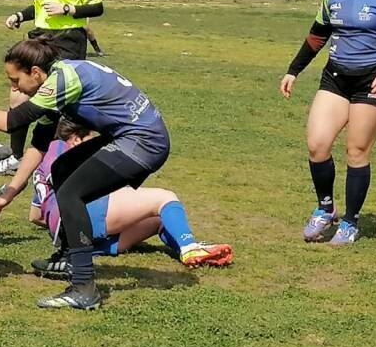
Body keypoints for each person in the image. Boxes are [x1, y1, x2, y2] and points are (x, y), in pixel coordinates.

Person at [0, 39, 169, 311]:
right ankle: (68, 258)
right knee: (62, 169)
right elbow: (40, 144)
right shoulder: (58, 80)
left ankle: (84, 288)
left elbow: (11, 122)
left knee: (72, 193)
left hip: (143, 142)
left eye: (15, 79)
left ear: (36, 73)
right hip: (134, 136)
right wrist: (10, 192)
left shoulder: (60, 82)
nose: (13, 87)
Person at [280, 0, 376, 245]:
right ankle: (325, 208)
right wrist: (294, 70)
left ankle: (350, 221)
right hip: (335, 77)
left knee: (356, 151)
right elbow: (317, 36)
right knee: (317, 145)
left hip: (373, 80)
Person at [28, 118, 232, 276]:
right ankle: (190, 248)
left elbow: (35, 216)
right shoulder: (64, 151)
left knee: (157, 220)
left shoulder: (45, 159)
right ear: (75, 138)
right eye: (92, 136)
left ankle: (188, 248)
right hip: (85, 213)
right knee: (164, 198)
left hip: (70, 233)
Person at [0, 0, 104, 176]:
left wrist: (68, 9)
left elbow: (97, 7)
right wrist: (20, 14)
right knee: (18, 94)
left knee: (53, 105)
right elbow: (39, 7)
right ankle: (17, 157)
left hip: (67, 40)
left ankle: (57, 161)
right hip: (41, 39)